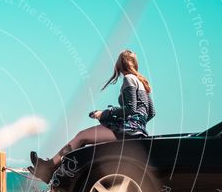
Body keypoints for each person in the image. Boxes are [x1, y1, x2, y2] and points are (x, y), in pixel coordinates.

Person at [28, 49, 156, 183]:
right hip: (138, 130)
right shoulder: (142, 83)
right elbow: (151, 113)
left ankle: (48, 169)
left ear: (119, 64)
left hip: (128, 129)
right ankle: (54, 169)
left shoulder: (129, 79)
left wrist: (104, 114)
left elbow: (130, 109)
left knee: (81, 137)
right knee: (84, 138)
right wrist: (137, 124)